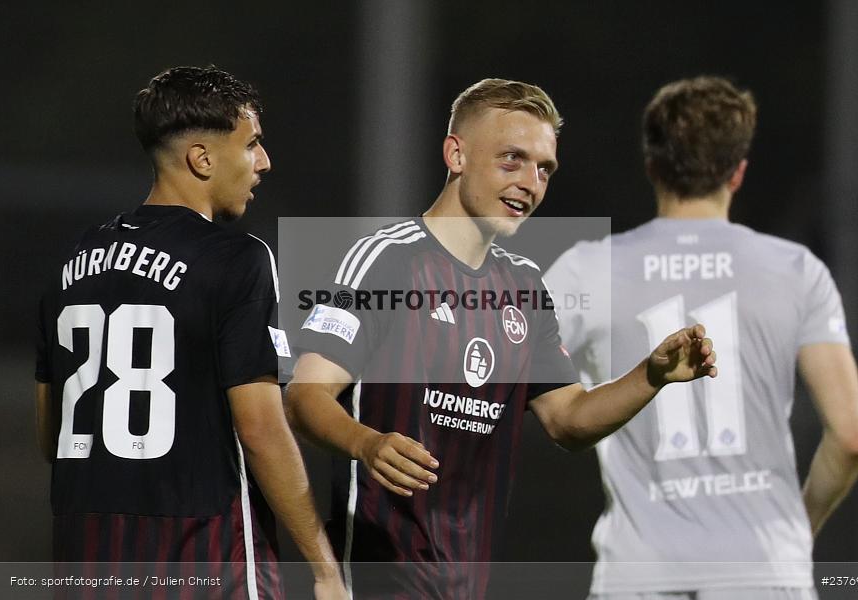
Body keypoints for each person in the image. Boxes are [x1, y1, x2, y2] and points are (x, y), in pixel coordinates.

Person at [285, 78, 717, 599]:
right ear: (456, 154)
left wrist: (651, 375)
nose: (530, 183)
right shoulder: (388, 261)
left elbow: (568, 419)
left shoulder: (523, 287)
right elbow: (305, 395)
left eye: (544, 169)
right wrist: (367, 442)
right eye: (512, 159)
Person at [544, 76, 858, 600]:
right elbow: (851, 437)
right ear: (738, 172)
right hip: (763, 570)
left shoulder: (585, 271)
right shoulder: (795, 270)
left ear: (652, 167)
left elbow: (503, 381)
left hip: (640, 573)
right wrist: (795, 530)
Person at [35, 65, 346, 600]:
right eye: (252, 144)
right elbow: (262, 429)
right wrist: (322, 567)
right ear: (202, 158)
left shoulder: (72, 258)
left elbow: (53, 438)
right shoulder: (237, 257)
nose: (264, 163)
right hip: (202, 557)